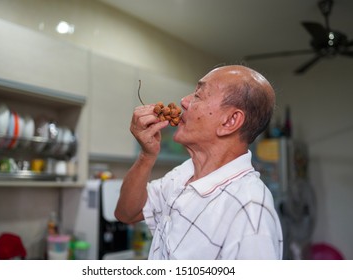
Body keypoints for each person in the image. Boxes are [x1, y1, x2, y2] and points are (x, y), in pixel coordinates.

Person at [115, 65, 283, 260]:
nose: (184, 101)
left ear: (230, 121)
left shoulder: (250, 211)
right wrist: (146, 155)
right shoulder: (183, 174)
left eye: (198, 95)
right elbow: (126, 213)